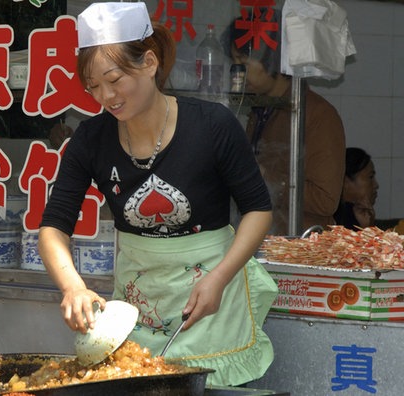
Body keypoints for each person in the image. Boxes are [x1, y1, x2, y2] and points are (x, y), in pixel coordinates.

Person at [38, 2, 278, 387]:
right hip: (136, 308)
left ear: (149, 63)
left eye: (114, 79)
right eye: (94, 86)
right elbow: (53, 226)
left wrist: (219, 277)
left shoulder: (212, 125)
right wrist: (73, 286)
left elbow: (257, 210)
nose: (106, 96)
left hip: (213, 299)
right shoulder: (91, 139)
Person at [225, 11, 346, 236]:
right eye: (234, 62)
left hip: (301, 245)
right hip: (263, 238)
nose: (238, 72)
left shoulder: (319, 114)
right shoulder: (260, 109)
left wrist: (269, 179)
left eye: (243, 61)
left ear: (271, 58)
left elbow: (326, 200)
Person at [334, 147, 379, 230]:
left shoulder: (361, 217)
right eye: (370, 177)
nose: (376, 185)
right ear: (345, 182)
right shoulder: (334, 221)